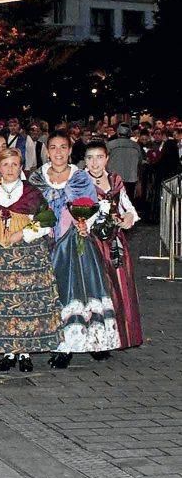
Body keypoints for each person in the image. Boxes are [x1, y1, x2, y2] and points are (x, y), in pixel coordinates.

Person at [28, 133, 120, 368]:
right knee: (54, 293)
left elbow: (92, 206)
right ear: (47, 151)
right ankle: (59, 343)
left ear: (69, 151)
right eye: (53, 148)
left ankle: (89, 341)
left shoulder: (80, 178)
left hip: (73, 242)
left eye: (63, 147)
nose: (58, 152)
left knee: (77, 291)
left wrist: (83, 225)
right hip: (45, 240)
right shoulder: (37, 178)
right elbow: (30, 207)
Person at [0, 149, 62, 371]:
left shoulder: (31, 193)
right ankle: (7, 352)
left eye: (15, 164)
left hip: (27, 255)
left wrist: (23, 233)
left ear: (20, 167)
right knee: (3, 305)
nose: (10, 169)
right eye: (6, 164)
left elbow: (47, 221)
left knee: (24, 305)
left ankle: (24, 353)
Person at [83, 141, 142, 351]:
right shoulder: (80, 180)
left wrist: (127, 217)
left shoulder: (115, 179)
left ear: (107, 158)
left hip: (115, 242)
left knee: (119, 286)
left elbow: (127, 206)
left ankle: (119, 336)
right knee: (95, 290)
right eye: (90, 158)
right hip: (90, 241)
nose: (94, 162)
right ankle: (94, 339)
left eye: (99, 157)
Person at [106, 124, 142, 198]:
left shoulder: (109, 145)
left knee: (114, 203)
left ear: (118, 133)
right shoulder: (136, 146)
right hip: (131, 179)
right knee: (128, 202)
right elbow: (139, 163)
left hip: (113, 178)